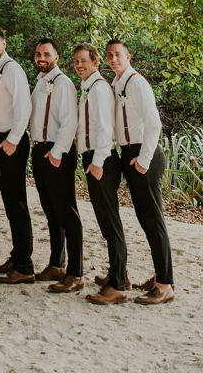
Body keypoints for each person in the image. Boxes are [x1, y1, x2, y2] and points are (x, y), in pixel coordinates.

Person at [105, 39, 174, 305]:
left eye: (118, 54)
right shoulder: (116, 83)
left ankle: (165, 284)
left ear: (128, 56)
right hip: (128, 153)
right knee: (145, 219)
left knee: (153, 220)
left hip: (144, 155)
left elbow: (154, 124)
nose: (113, 59)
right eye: (110, 55)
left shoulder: (137, 82)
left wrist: (143, 160)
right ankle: (159, 274)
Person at [74, 42, 128, 305]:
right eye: (76, 61)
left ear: (95, 62)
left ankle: (117, 284)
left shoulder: (99, 89)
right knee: (107, 222)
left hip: (102, 160)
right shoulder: (88, 88)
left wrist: (96, 162)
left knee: (110, 223)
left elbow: (105, 130)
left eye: (85, 60)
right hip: (93, 158)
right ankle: (120, 274)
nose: (80, 65)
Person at [29, 38, 83, 294]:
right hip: (40, 149)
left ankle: (76, 272)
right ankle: (56, 263)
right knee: (51, 211)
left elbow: (69, 122)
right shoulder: (40, 83)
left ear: (56, 57)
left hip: (56, 151)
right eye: (38, 54)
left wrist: (57, 152)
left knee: (67, 212)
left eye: (46, 54)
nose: (41, 58)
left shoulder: (63, 84)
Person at [0, 24, 34, 284]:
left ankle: (24, 266)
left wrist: (13, 140)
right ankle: (18, 255)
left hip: (9, 141)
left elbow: (23, 107)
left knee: (17, 203)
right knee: (10, 203)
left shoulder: (12, 69)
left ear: (4, 42)